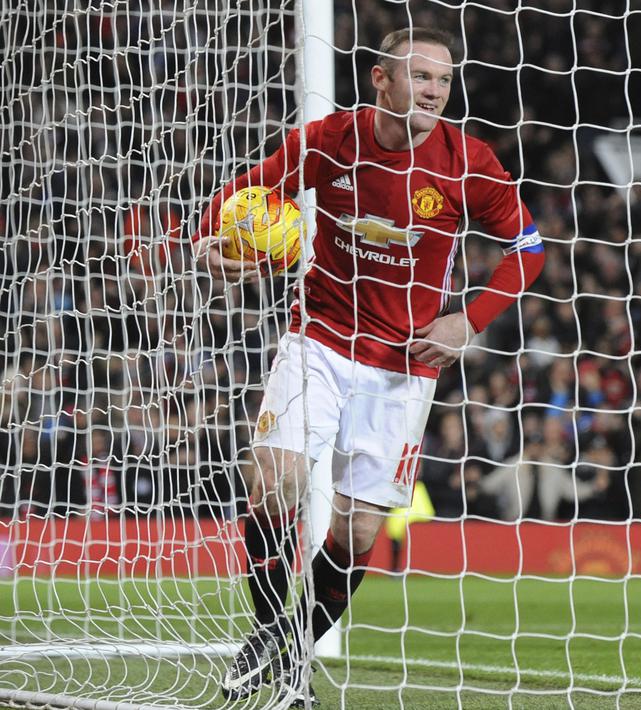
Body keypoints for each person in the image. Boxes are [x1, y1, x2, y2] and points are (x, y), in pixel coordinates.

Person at [193, 27, 545, 705]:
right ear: (380, 81)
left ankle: (293, 651)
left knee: (356, 531)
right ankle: (272, 633)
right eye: (419, 77)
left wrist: (467, 319)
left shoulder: (467, 162)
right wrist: (214, 239)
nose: (434, 92)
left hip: (405, 362)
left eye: (442, 80)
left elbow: (527, 247)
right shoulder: (332, 140)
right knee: (273, 482)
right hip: (319, 335)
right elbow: (246, 191)